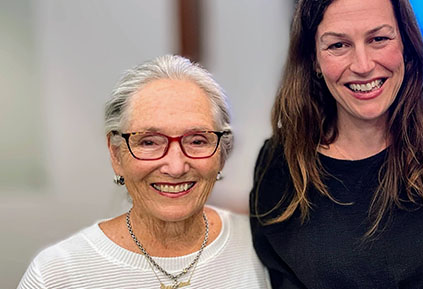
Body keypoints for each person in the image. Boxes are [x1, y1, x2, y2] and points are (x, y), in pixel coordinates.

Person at [249, 0, 423, 288]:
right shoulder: (279, 163)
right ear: (313, 59)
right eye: (338, 45)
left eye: (378, 39)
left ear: (405, 43)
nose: (362, 65)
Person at [18, 55, 271, 289]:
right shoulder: (56, 274)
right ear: (116, 154)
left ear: (222, 153)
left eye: (197, 141)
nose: (176, 167)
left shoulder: (267, 246)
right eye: (149, 142)